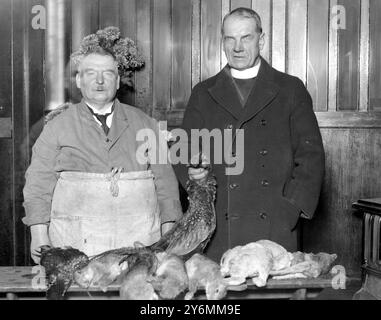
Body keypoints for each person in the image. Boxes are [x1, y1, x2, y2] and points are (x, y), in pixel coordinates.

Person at [175, 8, 325, 262]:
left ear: (261, 40)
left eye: (246, 37)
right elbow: (184, 149)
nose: (237, 47)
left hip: (273, 225)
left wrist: (291, 208)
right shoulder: (203, 92)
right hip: (219, 226)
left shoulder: (290, 89)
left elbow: (311, 156)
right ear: (222, 42)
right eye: (230, 38)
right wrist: (193, 172)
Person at [23, 27, 182, 263]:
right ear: (78, 80)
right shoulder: (56, 128)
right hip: (74, 248)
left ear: (117, 81)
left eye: (107, 73)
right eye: (90, 73)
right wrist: (39, 236)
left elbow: (166, 186)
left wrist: (168, 236)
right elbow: (38, 185)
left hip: (138, 248)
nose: (99, 80)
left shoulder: (145, 124)